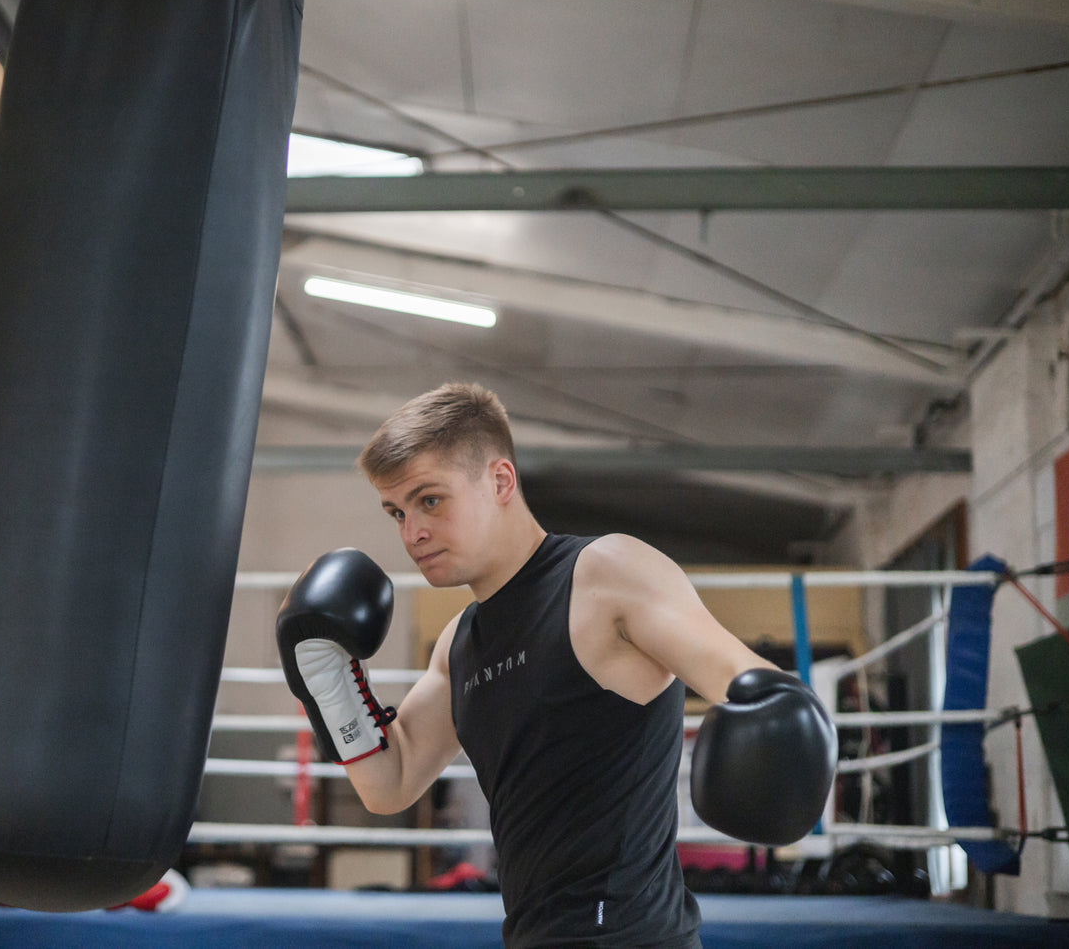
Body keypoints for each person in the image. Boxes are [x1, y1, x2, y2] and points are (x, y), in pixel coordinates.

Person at [276, 383, 837, 948]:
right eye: (397, 512)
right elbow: (389, 784)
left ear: (500, 481)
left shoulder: (604, 573)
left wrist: (775, 714)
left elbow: (753, 687)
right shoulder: (460, 642)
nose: (411, 532)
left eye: (430, 500)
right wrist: (329, 680)